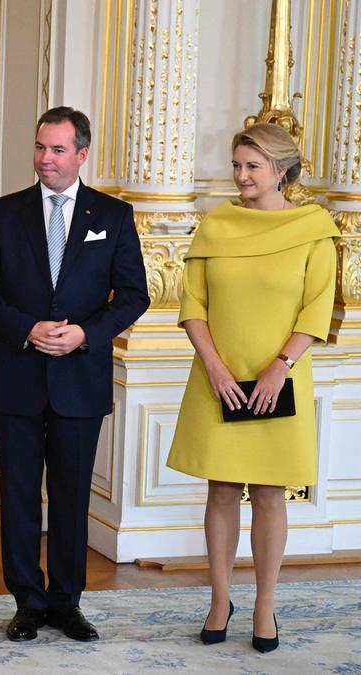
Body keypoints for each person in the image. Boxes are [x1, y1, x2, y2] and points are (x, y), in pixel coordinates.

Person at [0, 107, 149, 643]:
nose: (45, 158)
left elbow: (134, 294)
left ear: (82, 154)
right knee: (18, 495)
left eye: (58, 149)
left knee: (71, 498)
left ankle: (67, 603)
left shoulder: (113, 216)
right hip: (17, 375)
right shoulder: (3, 213)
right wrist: (27, 327)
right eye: (40, 147)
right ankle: (26, 601)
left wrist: (86, 333)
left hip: (80, 381)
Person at [166, 123, 339, 653]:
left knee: (268, 493)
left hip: (278, 376)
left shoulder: (315, 229)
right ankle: (220, 600)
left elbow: (318, 306)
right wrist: (215, 368)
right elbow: (193, 304)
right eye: (237, 165)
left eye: (252, 167)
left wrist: (280, 365)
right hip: (217, 375)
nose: (240, 176)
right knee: (220, 489)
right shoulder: (216, 225)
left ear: (281, 172)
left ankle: (264, 606)